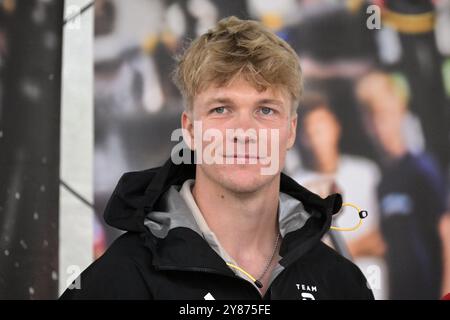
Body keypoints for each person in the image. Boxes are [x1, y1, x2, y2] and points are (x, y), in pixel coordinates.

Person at [60, 16, 373, 300]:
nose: (244, 131)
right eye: (221, 109)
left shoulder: (342, 283)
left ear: (290, 131)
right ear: (190, 130)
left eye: (266, 109)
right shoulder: (121, 280)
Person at [356, 71, 450, 299]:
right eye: (373, 118)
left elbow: (446, 232)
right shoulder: (382, 181)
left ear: (400, 113)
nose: (380, 128)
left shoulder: (421, 168)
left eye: (385, 116)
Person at [292, 93, 387, 299]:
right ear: (303, 138)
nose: (317, 138)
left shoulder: (366, 172)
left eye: (322, 128)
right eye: (311, 132)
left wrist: (339, 252)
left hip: (375, 284)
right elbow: (306, 252)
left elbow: (382, 238)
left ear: (336, 127)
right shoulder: (296, 185)